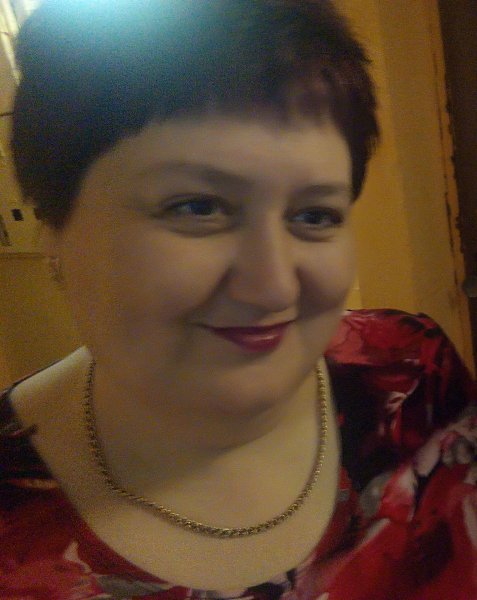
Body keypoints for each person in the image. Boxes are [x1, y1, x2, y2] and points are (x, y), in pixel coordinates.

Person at [1, 1, 476, 598]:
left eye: (314, 214)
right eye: (197, 207)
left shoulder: (412, 377)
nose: (273, 286)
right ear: (53, 223)